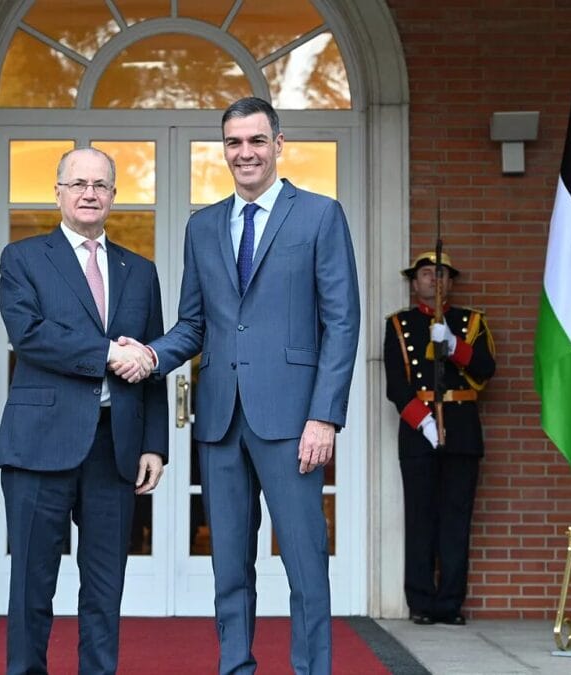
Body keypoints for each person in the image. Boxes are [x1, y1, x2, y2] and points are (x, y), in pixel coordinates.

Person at [119, 97, 360, 675]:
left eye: (256, 141)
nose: (245, 153)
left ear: (278, 144)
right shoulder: (202, 226)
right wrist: (150, 355)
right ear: (223, 149)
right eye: (234, 142)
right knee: (228, 566)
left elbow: (342, 322)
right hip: (221, 421)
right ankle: (235, 667)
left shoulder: (320, 215)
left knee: (305, 564)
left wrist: (324, 416)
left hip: (294, 421)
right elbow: (194, 324)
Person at [0, 147, 168, 675]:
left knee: (105, 587)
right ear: (58, 193)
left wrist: (155, 444)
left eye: (100, 185)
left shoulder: (140, 271)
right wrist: (109, 352)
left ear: (113, 195)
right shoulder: (22, 258)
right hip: (38, 444)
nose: (90, 193)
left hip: (114, 446)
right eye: (79, 184)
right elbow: (30, 335)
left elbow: (152, 361)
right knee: (32, 584)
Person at [382, 250, 495, 626]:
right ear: (415, 283)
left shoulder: (471, 322)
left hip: (461, 430)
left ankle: (449, 604)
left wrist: (454, 346)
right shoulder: (399, 324)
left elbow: (486, 369)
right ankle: (420, 603)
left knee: (455, 521)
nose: (434, 279)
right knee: (420, 519)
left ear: (451, 282)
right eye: (427, 273)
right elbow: (396, 385)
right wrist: (424, 422)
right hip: (419, 433)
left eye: (441, 273)